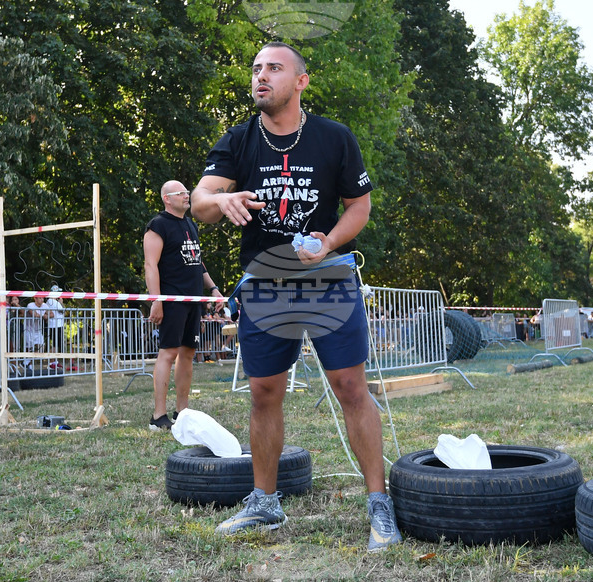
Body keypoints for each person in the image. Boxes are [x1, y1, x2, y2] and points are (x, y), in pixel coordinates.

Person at [190, 42, 401, 552]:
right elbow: (200, 203)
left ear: (301, 81)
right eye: (257, 69)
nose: (261, 76)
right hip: (263, 283)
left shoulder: (334, 138)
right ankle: (264, 502)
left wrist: (328, 241)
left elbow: (359, 205)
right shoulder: (239, 140)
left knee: (351, 387)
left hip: (327, 276)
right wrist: (222, 198)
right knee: (263, 392)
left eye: (274, 68)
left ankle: (379, 505)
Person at [144, 179, 223, 431]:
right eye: (181, 193)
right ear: (167, 198)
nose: (187, 196)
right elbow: (150, 265)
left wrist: (213, 288)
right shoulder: (157, 225)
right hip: (172, 299)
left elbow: (197, 262)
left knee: (188, 353)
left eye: (187, 192)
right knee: (168, 352)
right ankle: (158, 416)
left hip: (193, 299)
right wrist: (156, 299)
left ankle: (183, 412)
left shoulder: (190, 224)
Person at [23, 295, 50, 371]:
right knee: (29, 348)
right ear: (35, 298)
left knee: (41, 347)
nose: (42, 300)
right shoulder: (30, 305)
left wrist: (46, 316)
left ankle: (26, 361)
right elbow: (34, 315)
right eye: (40, 298)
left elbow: (51, 314)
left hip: (38, 330)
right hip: (28, 329)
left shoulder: (45, 305)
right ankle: (29, 364)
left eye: (43, 298)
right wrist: (43, 315)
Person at [46, 285, 65, 370]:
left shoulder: (49, 302)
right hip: (56, 325)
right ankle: (51, 361)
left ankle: (54, 362)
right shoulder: (55, 302)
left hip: (54, 325)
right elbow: (63, 310)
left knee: (56, 344)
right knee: (55, 345)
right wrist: (61, 302)